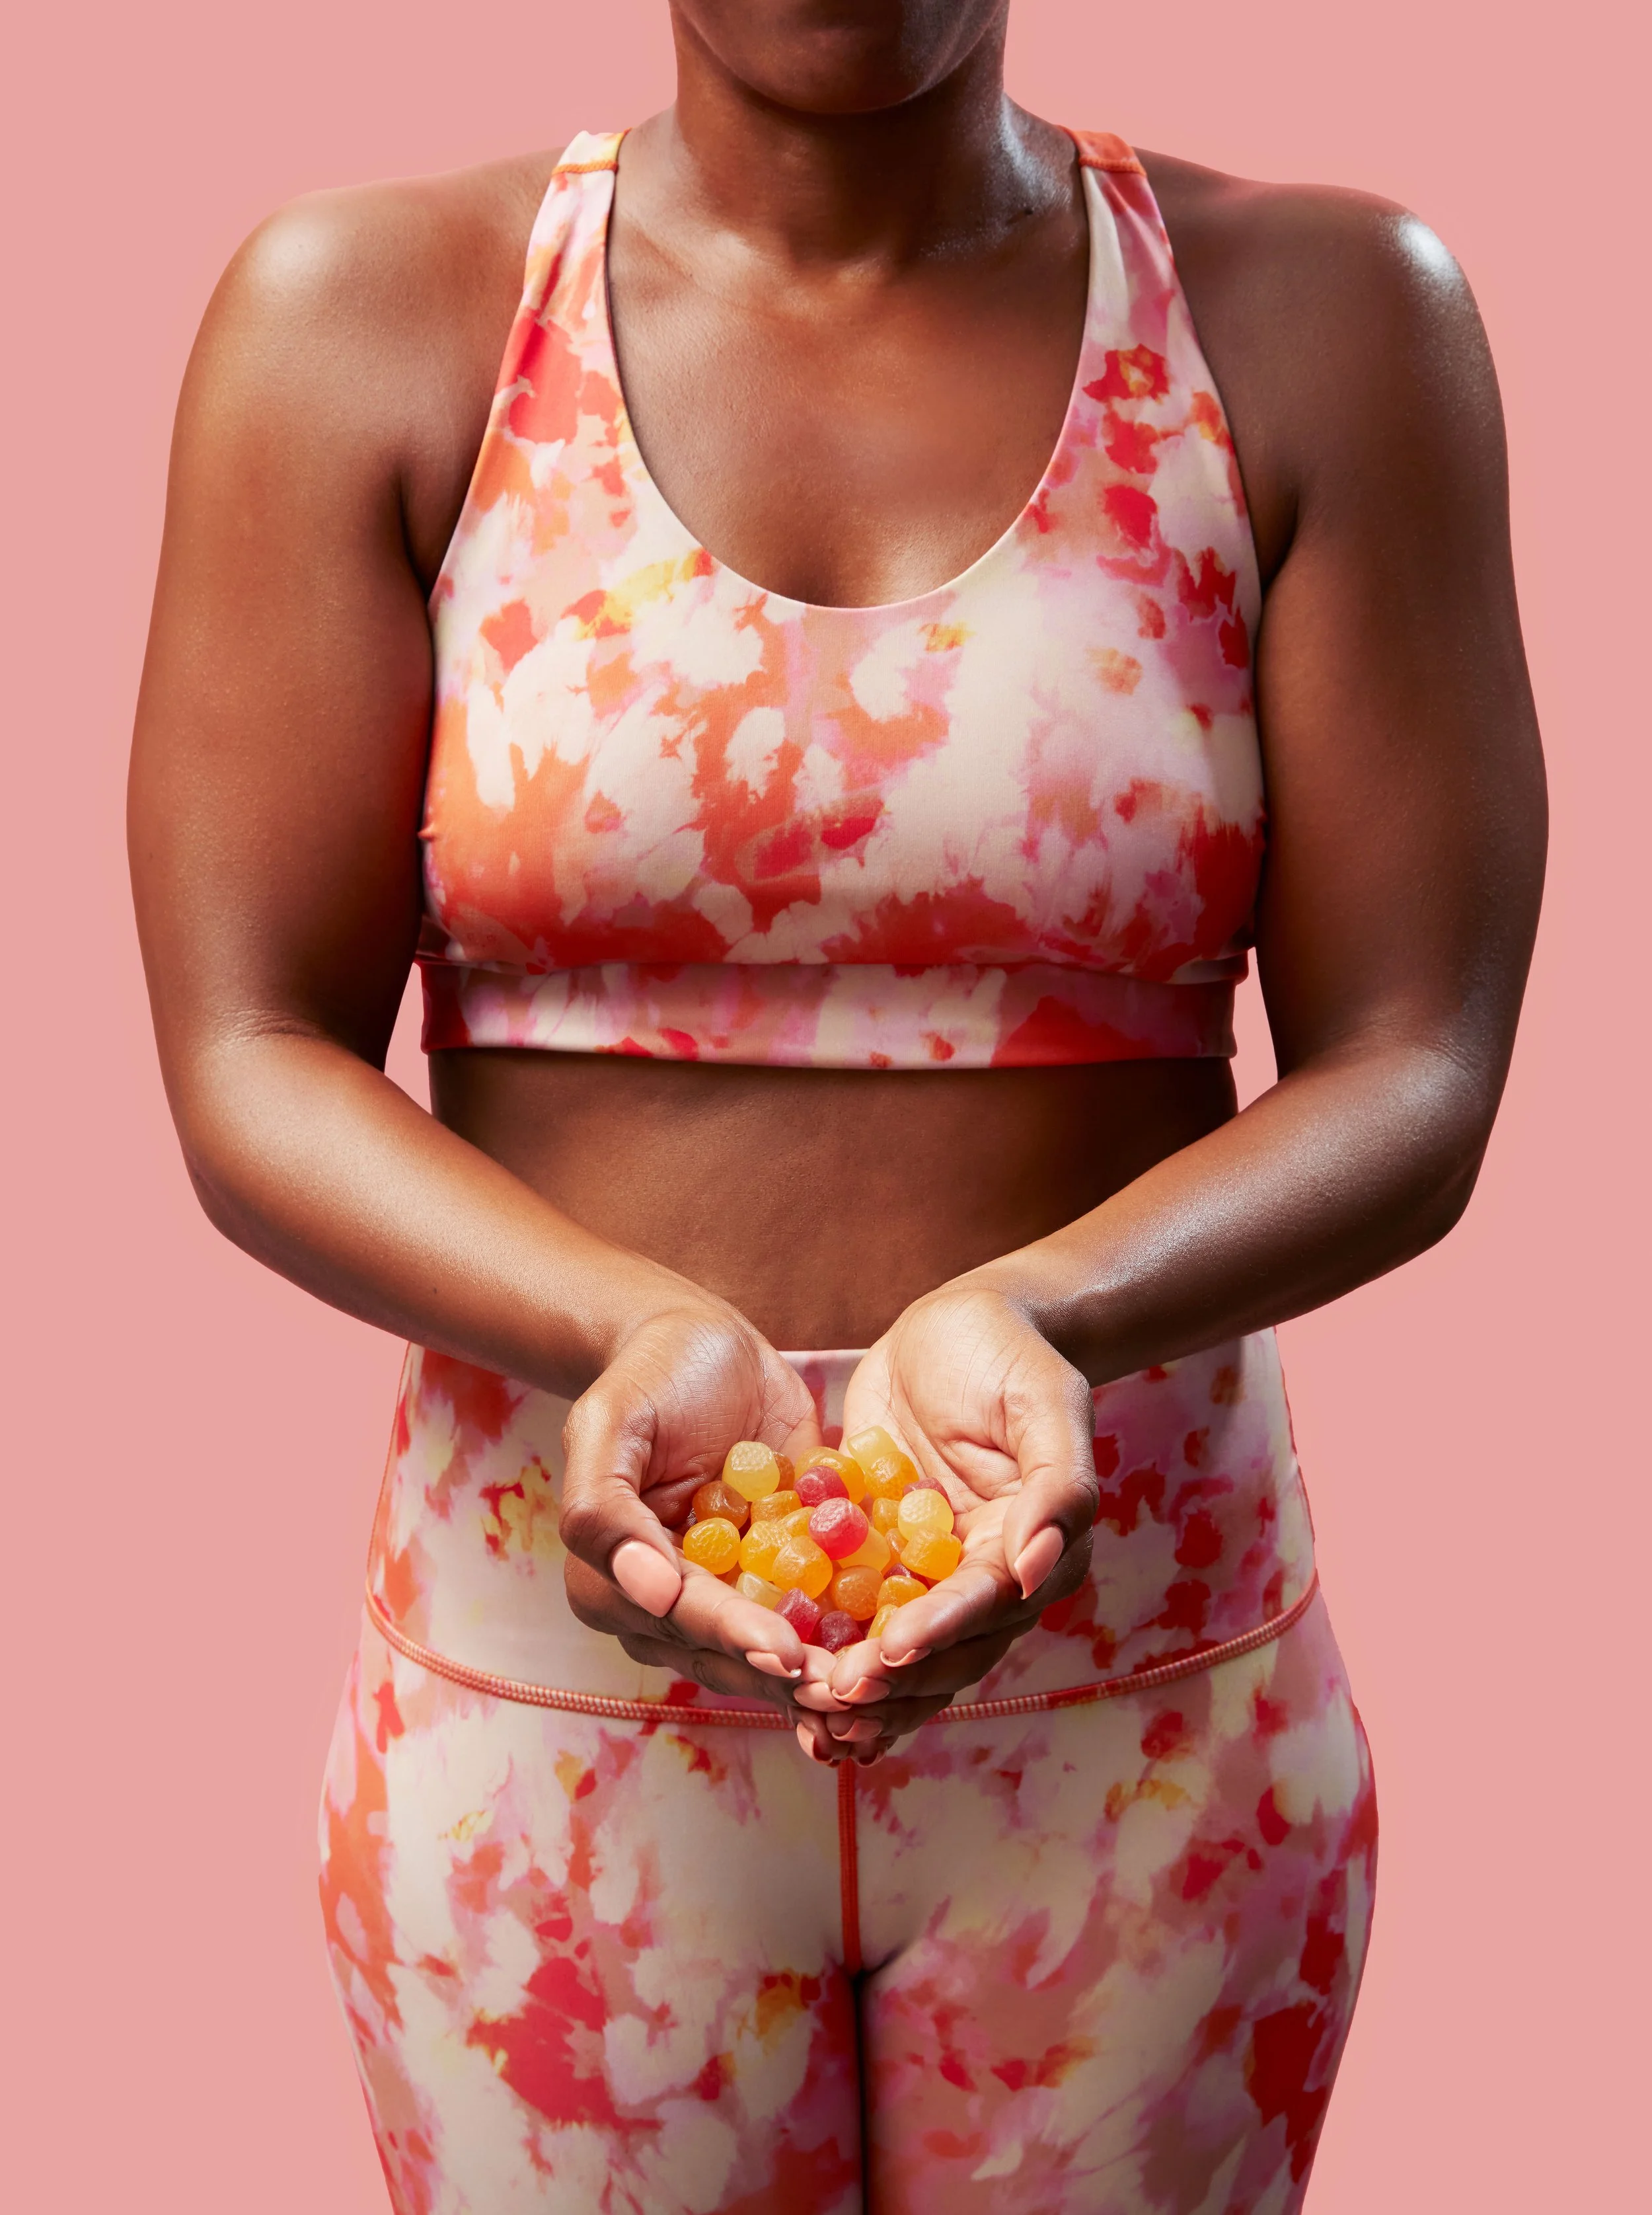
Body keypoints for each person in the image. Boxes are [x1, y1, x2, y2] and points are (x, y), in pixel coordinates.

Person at [128, 1, 1545, 2206]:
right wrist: (627, 1330)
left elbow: (1415, 1057)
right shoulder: (364, 316)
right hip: (549, 1697)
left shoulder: (1327, 315)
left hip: (1140, 1697)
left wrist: (1050, 1311)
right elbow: (246, 1048)